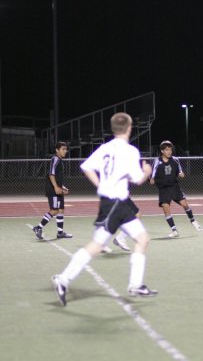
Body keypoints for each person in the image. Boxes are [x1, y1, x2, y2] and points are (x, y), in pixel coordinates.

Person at [52, 112, 157, 306]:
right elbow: (138, 180)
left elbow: (86, 167)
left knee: (141, 238)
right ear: (129, 128)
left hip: (116, 202)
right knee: (97, 245)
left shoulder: (105, 148)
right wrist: (147, 172)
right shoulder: (130, 151)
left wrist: (100, 184)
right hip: (117, 202)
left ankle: (136, 285)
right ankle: (63, 279)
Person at [149, 140, 200, 238]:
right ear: (162, 151)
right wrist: (151, 179)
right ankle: (174, 230)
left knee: (185, 205)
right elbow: (152, 175)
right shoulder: (157, 161)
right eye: (167, 150)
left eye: (170, 150)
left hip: (174, 187)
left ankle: (193, 220)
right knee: (166, 209)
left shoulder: (175, 160)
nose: (169, 152)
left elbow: (180, 172)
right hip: (163, 189)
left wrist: (181, 174)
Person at [33, 141, 73, 240]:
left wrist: (62, 187)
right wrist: (56, 187)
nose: (65, 151)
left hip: (58, 189)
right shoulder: (55, 159)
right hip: (53, 190)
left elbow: (57, 178)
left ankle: (60, 233)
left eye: (66, 149)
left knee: (61, 210)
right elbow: (51, 174)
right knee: (54, 211)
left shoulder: (60, 160)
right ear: (57, 150)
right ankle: (38, 228)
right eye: (63, 149)